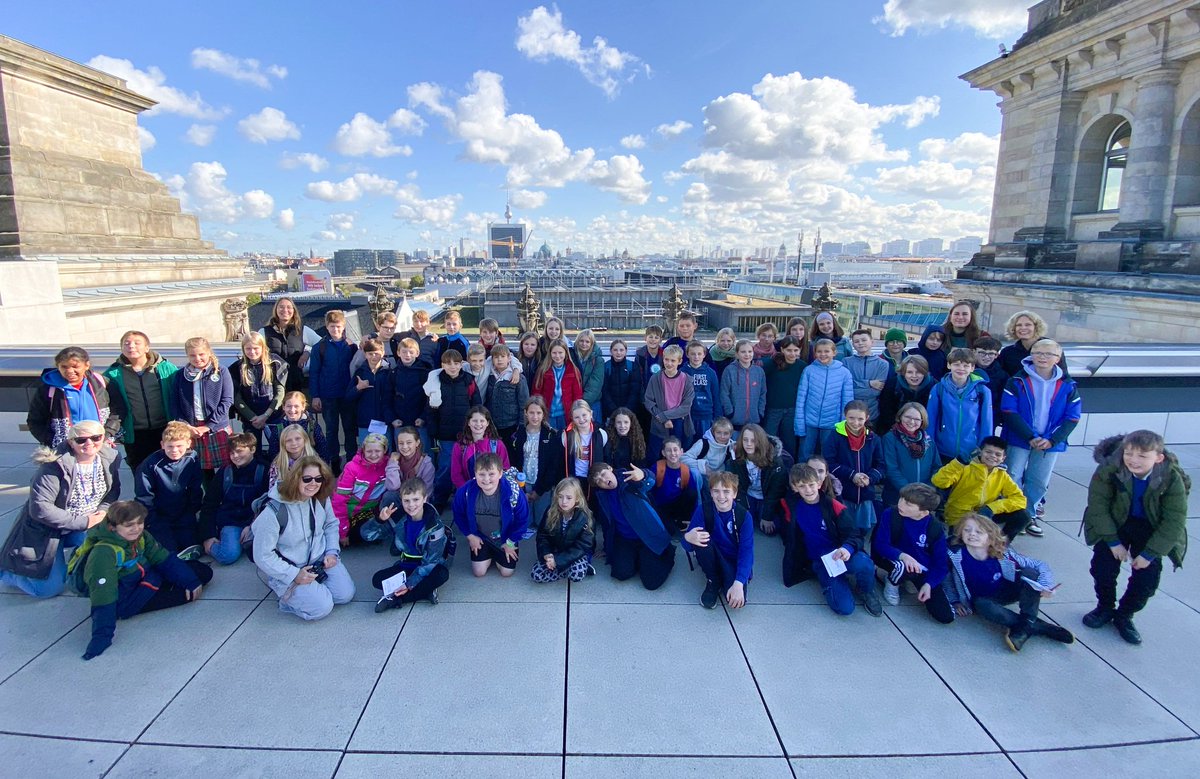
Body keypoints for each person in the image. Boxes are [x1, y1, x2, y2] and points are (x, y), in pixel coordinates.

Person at [1082, 431, 1190, 645]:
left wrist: (1150, 554)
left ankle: (1125, 615)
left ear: (1158, 458)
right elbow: (1097, 506)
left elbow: (1174, 520)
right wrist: (1113, 542)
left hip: (1150, 527)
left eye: (1142, 456)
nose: (1133, 460)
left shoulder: (1170, 478)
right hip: (1116, 522)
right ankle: (1104, 607)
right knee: (1102, 568)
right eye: (1129, 453)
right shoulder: (1109, 470)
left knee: (1147, 579)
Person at [74, 500, 211, 660]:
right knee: (184, 595)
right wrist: (100, 639)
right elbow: (104, 597)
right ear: (113, 526)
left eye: (140, 523)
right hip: (128, 600)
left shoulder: (141, 536)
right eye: (129, 525)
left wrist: (190, 581)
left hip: (145, 578)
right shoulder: (103, 553)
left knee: (202, 573)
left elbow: (163, 558)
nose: (136, 528)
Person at [0, 420, 121, 598]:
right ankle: (7, 573)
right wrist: (85, 521)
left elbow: (112, 492)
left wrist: (102, 511)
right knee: (47, 590)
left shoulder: (109, 459)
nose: (89, 443)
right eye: (81, 440)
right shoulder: (54, 465)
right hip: (48, 530)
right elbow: (41, 509)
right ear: (71, 442)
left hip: (84, 525)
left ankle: (69, 562)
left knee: (98, 564)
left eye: (96, 438)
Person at [945, 513, 1074, 652]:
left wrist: (1046, 586)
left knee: (1030, 573)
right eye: (967, 530)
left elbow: (1039, 565)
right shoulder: (954, 554)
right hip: (983, 599)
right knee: (982, 605)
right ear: (960, 532)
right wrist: (954, 601)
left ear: (990, 537)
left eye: (979, 532)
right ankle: (1035, 625)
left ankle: (1025, 624)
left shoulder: (1002, 552)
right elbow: (947, 579)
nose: (972, 534)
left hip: (1006, 591)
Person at [252, 456, 355, 621]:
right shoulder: (274, 512)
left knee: (344, 595)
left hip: (319, 560)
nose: (313, 483)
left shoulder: (320, 498)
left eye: (318, 478)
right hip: (290, 567)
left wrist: (331, 552)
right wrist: (293, 574)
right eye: (307, 478)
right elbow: (262, 555)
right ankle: (285, 595)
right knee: (322, 608)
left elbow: (331, 525)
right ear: (295, 478)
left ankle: (311, 590)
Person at [1000, 339, 1081, 539]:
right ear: (1030, 355)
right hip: (1020, 439)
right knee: (1013, 475)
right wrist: (1029, 436)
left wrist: (1052, 440)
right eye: (1038, 352)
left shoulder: (1068, 385)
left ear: (1058, 358)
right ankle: (1014, 513)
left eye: (1049, 354)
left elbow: (1072, 417)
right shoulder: (1017, 381)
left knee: (1039, 481)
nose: (1043, 357)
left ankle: (1029, 514)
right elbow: (1009, 410)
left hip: (1050, 443)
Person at [779, 464, 883, 616]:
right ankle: (834, 581)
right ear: (795, 487)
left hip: (839, 555)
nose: (808, 490)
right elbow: (788, 534)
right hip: (820, 561)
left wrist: (847, 548)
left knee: (864, 562)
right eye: (802, 486)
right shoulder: (790, 505)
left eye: (811, 485)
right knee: (845, 608)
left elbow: (855, 534)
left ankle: (866, 589)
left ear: (819, 484)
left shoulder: (834, 506)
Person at [871, 483, 952, 622]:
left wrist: (929, 584)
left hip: (920, 568)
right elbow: (880, 544)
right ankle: (891, 582)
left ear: (923, 512)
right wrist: (902, 556)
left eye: (908, 504)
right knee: (902, 567)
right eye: (901, 499)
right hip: (894, 559)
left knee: (945, 616)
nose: (901, 504)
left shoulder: (934, 528)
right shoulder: (890, 514)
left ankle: (910, 579)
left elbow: (941, 564)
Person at [590, 462, 676, 589]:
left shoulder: (628, 479)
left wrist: (643, 475)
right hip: (625, 539)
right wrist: (606, 548)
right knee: (620, 574)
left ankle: (667, 553)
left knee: (651, 583)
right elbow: (607, 525)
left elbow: (649, 482)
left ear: (610, 468)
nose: (604, 480)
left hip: (647, 537)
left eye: (603, 474)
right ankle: (639, 559)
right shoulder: (603, 497)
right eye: (599, 481)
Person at [372, 478, 452, 610]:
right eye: (407, 501)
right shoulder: (398, 519)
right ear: (401, 500)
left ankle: (397, 599)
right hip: (406, 566)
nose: (411, 505)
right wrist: (379, 520)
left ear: (424, 499)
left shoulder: (435, 526)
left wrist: (408, 584)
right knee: (377, 579)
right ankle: (425, 591)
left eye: (416, 500)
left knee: (441, 574)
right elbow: (367, 535)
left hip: (428, 566)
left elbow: (430, 563)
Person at [104, 331, 178, 473]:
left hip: (164, 429)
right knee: (140, 471)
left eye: (137, 343)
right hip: (135, 432)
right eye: (126, 343)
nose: (131, 346)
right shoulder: (113, 374)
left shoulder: (166, 368)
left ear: (146, 347)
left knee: (169, 469)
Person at [932, 436, 1030, 540]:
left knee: (1023, 516)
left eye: (998, 454)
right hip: (961, 515)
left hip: (985, 514)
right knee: (963, 546)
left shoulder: (1001, 474)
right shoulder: (965, 467)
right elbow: (938, 481)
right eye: (988, 452)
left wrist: (992, 508)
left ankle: (1002, 543)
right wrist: (957, 463)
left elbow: (1020, 500)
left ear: (1003, 458)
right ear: (980, 451)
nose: (993, 456)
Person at [453, 452, 530, 578]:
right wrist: (470, 536)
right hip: (481, 537)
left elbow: (523, 520)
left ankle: (499, 556)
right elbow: (458, 513)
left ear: (500, 473)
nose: (486, 479)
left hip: (506, 538)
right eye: (481, 474)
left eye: (491, 474)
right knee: (479, 572)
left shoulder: (513, 492)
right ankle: (487, 555)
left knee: (506, 572)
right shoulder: (466, 491)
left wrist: (511, 542)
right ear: (475, 474)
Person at [684, 471, 752, 610]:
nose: (721, 496)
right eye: (716, 491)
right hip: (711, 554)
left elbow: (747, 552)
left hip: (732, 560)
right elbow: (689, 547)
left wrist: (739, 582)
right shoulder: (703, 509)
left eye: (726, 491)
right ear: (711, 493)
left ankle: (730, 578)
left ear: (734, 493)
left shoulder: (744, 516)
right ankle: (713, 580)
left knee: (737, 600)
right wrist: (687, 537)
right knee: (701, 537)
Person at [134, 421, 203, 555]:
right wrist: (153, 521)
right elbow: (144, 497)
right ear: (162, 445)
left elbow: (195, 488)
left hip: (184, 514)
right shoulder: (149, 465)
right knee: (169, 552)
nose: (174, 450)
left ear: (188, 444)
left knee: (193, 547)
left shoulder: (192, 459)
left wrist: (192, 511)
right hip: (159, 517)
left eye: (179, 446)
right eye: (170, 446)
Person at [28, 346, 117, 449]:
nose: (70, 371)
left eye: (75, 366)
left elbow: (116, 412)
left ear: (86, 365)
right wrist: (52, 440)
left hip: (98, 444)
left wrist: (107, 435)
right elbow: (35, 421)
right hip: (64, 448)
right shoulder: (48, 389)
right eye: (64, 367)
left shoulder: (100, 383)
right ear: (58, 367)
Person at [200, 433, 268, 565]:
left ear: (252, 449)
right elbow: (209, 503)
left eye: (239, 451)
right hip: (231, 522)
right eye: (232, 453)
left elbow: (269, 503)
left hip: (257, 522)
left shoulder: (264, 470)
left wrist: (251, 525)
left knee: (262, 554)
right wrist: (207, 536)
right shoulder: (225, 472)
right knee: (228, 555)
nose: (235, 456)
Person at [171, 337, 234, 480]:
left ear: (209, 353)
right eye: (192, 355)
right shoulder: (180, 375)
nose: (197, 358)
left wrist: (208, 426)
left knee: (227, 466)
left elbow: (227, 401)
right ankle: (209, 498)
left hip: (216, 426)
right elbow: (174, 404)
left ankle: (225, 495)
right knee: (201, 467)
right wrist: (186, 426)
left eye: (201, 354)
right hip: (192, 429)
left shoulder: (221, 371)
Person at [424, 349, 479, 508]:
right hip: (445, 434)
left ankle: (467, 498)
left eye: (456, 363)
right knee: (446, 467)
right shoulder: (436, 382)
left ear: (462, 364)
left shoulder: (469, 380)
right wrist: (433, 429)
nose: (452, 367)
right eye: (448, 363)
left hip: (466, 433)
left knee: (468, 466)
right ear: (442, 365)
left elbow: (477, 405)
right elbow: (430, 409)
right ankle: (440, 499)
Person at [822, 400, 884, 532]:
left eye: (860, 419)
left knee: (862, 532)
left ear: (867, 418)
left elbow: (881, 465)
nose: (856, 423)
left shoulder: (874, 438)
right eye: (851, 418)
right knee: (843, 530)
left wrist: (870, 478)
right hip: (843, 494)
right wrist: (852, 475)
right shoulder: (834, 436)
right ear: (845, 415)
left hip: (865, 495)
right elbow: (829, 463)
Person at [308, 310, 359, 469]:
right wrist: (315, 395)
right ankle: (334, 460)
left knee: (350, 429)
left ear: (343, 326)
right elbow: (314, 372)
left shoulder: (351, 346)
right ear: (327, 327)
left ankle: (351, 462)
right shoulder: (319, 347)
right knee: (331, 430)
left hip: (347, 395)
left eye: (338, 326)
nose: (335, 330)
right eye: (332, 327)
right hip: (328, 396)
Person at [926, 348, 993, 465]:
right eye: (956, 364)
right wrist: (930, 446)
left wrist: (983, 449)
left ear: (972, 368)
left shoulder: (982, 391)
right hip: (943, 450)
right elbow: (930, 420)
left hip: (971, 451)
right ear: (949, 365)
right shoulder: (938, 389)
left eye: (966, 365)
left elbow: (987, 422)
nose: (961, 369)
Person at [794, 338, 854, 459]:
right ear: (815, 353)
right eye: (819, 351)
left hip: (832, 422)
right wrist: (800, 423)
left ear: (834, 352)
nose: (823, 354)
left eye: (826, 351)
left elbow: (847, 401)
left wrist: (843, 424)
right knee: (805, 453)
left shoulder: (844, 373)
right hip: (809, 421)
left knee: (827, 455)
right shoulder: (809, 371)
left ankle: (825, 477)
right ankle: (801, 476)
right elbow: (801, 399)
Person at [510, 397, 564, 528]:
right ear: (526, 413)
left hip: (542, 485)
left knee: (542, 522)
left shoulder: (551, 435)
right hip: (523, 483)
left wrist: (539, 490)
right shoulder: (518, 434)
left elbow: (553, 466)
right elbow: (514, 462)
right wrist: (521, 488)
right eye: (531, 413)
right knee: (524, 523)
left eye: (538, 413)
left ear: (544, 414)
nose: (535, 417)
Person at [531, 478, 596, 584]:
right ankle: (566, 569)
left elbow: (583, 546)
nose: (564, 501)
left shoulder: (585, 517)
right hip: (555, 550)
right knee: (536, 575)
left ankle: (578, 566)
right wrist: (547, 553)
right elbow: (542, 536)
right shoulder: (550, 511)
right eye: (560, 497)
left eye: (569, 498)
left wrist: (559, 560)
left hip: (575, 554)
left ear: (577, 499)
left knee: (576, 575)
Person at [230, 332, 287, 449]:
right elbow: (236, 397)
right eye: (248, 348)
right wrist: (252, 417)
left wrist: (266, 415)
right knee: (252, 451)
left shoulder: (275, 363)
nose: (252, 352)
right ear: (243, 349)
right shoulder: (236, 368)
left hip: (274, 416)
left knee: (278, 449)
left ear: (263, 347)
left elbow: (280, 392)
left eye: (256, 348)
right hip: (250, 419)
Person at [728, 423, 788, 536]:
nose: (749, 444)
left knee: (771, 529)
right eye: (745, 440)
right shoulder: (735, 458)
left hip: (766, 497)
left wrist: (767, 516)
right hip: (747, 495)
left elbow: (776, 491)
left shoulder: (775, 461)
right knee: (742, 526)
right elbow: (735, 486)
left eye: (753, 440)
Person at [333, 433, 390, 545]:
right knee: (349, 538)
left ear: (384, 450)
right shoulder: (351, 468)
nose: (373, 455)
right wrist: (342, 531)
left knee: (365, 535)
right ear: (363, 450)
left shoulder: (388, 465)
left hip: (369, 512)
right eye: (369, 451)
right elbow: (339, 501)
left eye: (377, 451)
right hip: (347, 514)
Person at [881, 402, 939, 507]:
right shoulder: (890, 438)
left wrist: (928, 489)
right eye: (908, 417)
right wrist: (909, 491)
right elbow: (891, 469)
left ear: (922, 421)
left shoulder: (928, 441)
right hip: (896, 495)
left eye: (917, 419)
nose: (912, 422)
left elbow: (936, 467)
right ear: (900, 417)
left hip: (923, 496)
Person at [644, 344, 695, 459]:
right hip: (658, 422)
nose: (669, 363)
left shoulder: (686, 380)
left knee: (676, 456)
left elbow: (686, 407)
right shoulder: (656, 378)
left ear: (680, 361)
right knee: (656, 456)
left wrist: (665, 416)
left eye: (673, 360)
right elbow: (648, 401)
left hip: (680, 422)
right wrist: (663, 418)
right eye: (666, 359)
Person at [260, 297, 319, 394]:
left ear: (293, 310)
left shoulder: (302, 330)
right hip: (272, 383)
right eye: (281, 307)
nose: (285, 310)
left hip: (295, 382)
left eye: (289, 307)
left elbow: (322, 344)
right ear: (276, 310)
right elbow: (253, 347)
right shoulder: (265, 332)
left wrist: (307, 352)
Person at [761, 336, 804, 458]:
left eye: (795, 350)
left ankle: (789, 467)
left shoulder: (802, 366)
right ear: (782, 350)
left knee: (789, 441)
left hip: (792, 410)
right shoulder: (771, 364)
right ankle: (767, 464)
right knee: (768, 439)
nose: (792, 353)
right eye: (789, 350)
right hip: (773, 409)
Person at [451, 406, 512, 491]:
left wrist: (494, 491)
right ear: (468, 422)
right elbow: (456, 474)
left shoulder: (497, 445)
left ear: (487, 423)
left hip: (493, 491)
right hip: (468, 491)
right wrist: (467, 491)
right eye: (474, 421)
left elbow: (505, 469)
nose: (478, 424)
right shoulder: (460, 446)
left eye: (482, 421)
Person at [346, 337, 394, 445]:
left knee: (385, 453)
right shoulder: (360, 372)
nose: (373, 357)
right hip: (365, 422)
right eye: (370, 353)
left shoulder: (389, 373)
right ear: (365, 354)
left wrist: (391, 417)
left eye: (376, 353)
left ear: (383, 353)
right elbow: (348, 396)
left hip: (385, 422)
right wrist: (358, 388)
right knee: (366, 454)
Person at [999, 310, 1071, 379]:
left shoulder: (1052, 348)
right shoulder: (1007, 352)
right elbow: (1002, 379)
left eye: (1028, 325)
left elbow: (1064, 377)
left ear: (1036, 327)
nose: (1023, 328)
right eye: (1018, 325)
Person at [650, 437, 701, 534]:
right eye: (668, 450)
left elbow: (693, 497)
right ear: (663, 453)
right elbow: (649, 491)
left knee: (691, 493)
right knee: (671, 532)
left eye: (675, 450)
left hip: (678, 506)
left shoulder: (685, 470)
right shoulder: (657, 467)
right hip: (661, 507)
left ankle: (683, 522)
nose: (673, 453)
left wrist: (694, 519)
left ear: (681, 451)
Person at [391, 337, 432, 454]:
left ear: (417, 353)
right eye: (404, 352)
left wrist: (423, 417)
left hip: (419, 422)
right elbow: (387, 398)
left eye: (411, 352)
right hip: (400, 422)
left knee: (423, 452)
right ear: (398, 353)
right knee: (402, 453)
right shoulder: (393, 373)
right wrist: (393, 418)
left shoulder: (425, 372)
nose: (407, 355)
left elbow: (430, 398)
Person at [262, 391, 327, 465]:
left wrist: (322, 470)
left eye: (296, 406)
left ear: (303, 407)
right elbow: (273, 453)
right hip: (285, 467)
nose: (292, 410)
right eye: (289, 406)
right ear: (283, 407)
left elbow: (323, 450)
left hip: (309, 466)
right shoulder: (278, 427)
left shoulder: (312, 426)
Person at [485, 346, 529, 453]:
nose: (499, 360)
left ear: (509, 358)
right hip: (492, 425)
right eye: (496, 357)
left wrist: (522, 425)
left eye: (503, 356)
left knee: (510, 454)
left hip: (511, 425)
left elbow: (524, 403)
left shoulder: (517, 377)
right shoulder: (489, 375)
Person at [534, 339, 583, 432]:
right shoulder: (543, 370)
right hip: (548, 414)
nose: (557, 356)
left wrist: (575, 413)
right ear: (550, 353)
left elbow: (577, 395)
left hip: (565, 415)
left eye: (560, 352)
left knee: (564, 441)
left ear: (566, 353)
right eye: (554, 353)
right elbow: (536, 392)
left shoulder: (573, 370)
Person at [842, 329, 890, 424]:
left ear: (872, 342)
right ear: (853, 345)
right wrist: (869, 383)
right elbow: (847, 388)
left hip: (872, 414)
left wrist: (856, 386)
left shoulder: (883, 364)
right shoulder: (846, 362)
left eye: (864, 340)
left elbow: (875, 392)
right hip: (850, 414)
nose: (860, 343)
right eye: (856, 341)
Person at [877, 355, 934, 434]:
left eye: (918, 372)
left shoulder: (934, 386)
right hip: (895, 428)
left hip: (924, 429)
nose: (914, 376)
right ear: (903, 373)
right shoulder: (892, 384)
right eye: (910, 372)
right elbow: (886, 411)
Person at [719, 339, 767, 430]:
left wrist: (760, 412)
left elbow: (763, 393)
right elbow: (724, 393)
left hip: (754, 419)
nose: (747, 354)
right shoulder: (729, 370)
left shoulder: (759, 371)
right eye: (743, 352)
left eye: (750, 351)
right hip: (735, 420)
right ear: (737, 353)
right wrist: (730, 412)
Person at [564, 400, 609, 497]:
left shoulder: (601, 434)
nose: (581, 419)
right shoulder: (566, 436)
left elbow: (606, 457)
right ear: (572, 418)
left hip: (595, 479)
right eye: (577, 417)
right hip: (575, 479)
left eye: (584, 415)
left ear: (591, 413)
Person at [681, 340, 719, 449]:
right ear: (687, 354)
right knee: (687, 446)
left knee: (704, 447)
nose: (696, 357)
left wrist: (716, 417)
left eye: (699, 354)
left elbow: (716, 396)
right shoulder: (682, 372)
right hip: (689, 416)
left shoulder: (711, 373)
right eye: (693, 354)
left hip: (706, 416)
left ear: (704, 354)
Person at [386, 427, 436, 498]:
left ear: (417, 443)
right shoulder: (395, 460)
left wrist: (411, 505)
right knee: (389, 496)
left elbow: (427, 491)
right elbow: (392, 487)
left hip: (418, 501)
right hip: (400, 497)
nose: (405, 446)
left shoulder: (426, 464)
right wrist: (393, 462)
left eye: (409, 442)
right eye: (401, 443)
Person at [268, 423, 320, 490]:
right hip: (284, 498)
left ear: (305, 440)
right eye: (288, 440)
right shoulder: (277, 463)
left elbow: (321, 487)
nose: (294, 443)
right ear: (283, 444)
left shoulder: (315, 461)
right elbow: (272, 489)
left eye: (298, 438)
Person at [971, 335, 1008, 423]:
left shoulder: (1002, 376)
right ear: (973, 352)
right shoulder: (965, 371)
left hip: (990, 417)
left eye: (991, 353)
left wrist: (995, 418)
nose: (986, 357)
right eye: (982, 353)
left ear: (996, 355)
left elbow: (1002, 400)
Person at [602, 339, 640, 422]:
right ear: (611, 351)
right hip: (610, 412)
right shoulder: (606, 367)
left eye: (621, 350)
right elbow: (604, 391)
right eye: (615, 350)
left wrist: (627, 409)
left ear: (626, 351)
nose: (618, 353)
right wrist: (614, 410)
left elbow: (635, 390)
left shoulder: (632, 366)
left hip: (629, 411)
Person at [572, 329, 605, 418]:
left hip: (592, 402)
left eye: (587, 341)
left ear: (592, 343)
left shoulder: (598, 360)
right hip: (574, 401)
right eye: (581, 341)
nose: (584, 344)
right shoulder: (571, 356)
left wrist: (582, 402)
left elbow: (595, 384)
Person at [602, 406, 644, 473]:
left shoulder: (637, 439)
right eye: (619, 422)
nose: (622, 426)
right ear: (614, 424)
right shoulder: (608, 440)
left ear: (631, 423)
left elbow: (641, 464)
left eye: (626, 422)